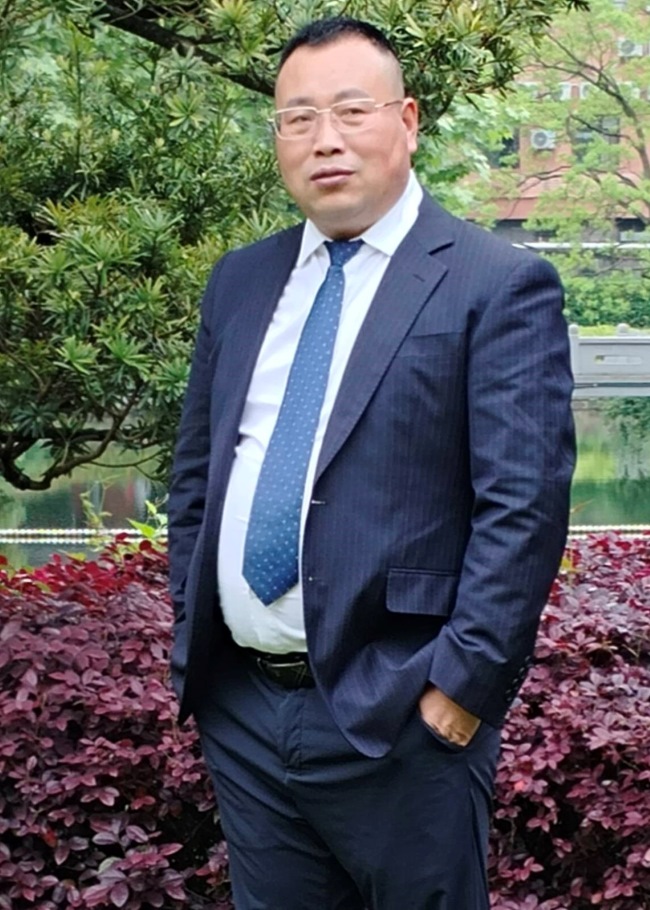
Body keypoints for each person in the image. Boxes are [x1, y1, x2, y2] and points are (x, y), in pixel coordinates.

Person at [168, 16, 576, 910]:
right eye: (298, 118)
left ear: (408, 120)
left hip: (402, 719)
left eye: (352, 110)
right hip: (245, 712)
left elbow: (524, 506)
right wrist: (192, 635)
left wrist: (460, 691)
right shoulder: (242, 280)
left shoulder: (493, 283)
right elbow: (199, 475)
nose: (326, 139)